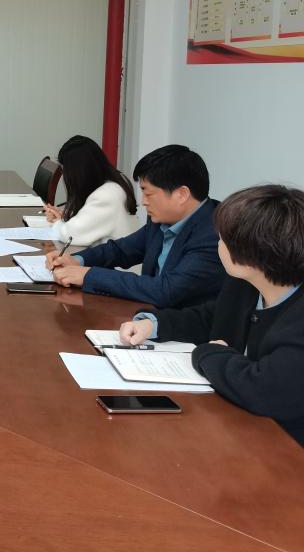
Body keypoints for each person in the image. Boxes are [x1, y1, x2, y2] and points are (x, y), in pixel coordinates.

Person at [118, 185, 304, 445]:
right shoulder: (246, 282)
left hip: (283, 448)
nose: (217, 243)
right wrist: (155, 324)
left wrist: (208, 354)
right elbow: (212, 317)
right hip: (237, 424)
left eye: (222, 239)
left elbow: (265, 389)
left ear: (251, 254)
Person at [48, 144, 223, 307]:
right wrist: (77, 260)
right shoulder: (163, 220)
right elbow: (120, 250)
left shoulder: (213, 234)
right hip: (146, 315)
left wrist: (89, 275)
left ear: (181, 194)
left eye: (148, 193)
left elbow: (167, 290)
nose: (143, 201)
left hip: (178, 325)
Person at [42, 135, 140, 246]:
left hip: (116, 257)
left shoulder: (107, 195)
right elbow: (91, 218)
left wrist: (57, 223)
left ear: (78, 173)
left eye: (66, 172)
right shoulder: (115, 181)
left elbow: (70, 235)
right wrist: (64, 215)